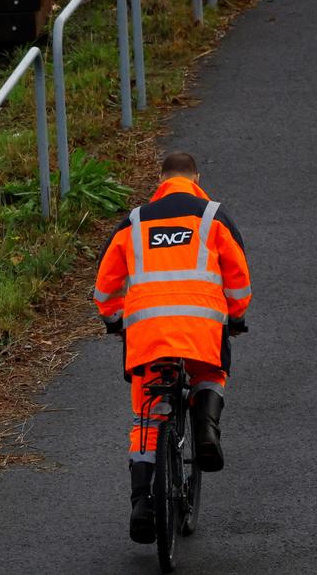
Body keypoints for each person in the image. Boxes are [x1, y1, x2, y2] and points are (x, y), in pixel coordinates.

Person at [93, 151, 251, 544]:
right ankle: (206, 429)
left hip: (147, 331)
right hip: (200, 325)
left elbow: (105, 286)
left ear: (160, 179)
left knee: (148, 414)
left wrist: (114, 320)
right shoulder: (213, 216)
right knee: (211, 370)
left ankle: (142, 505)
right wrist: (235, 315)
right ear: (196, 177)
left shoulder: (134, 221)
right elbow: (238, 278)